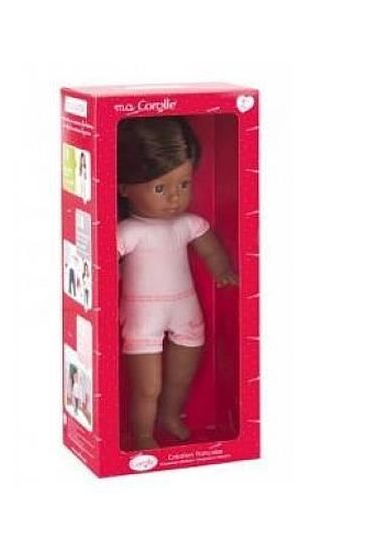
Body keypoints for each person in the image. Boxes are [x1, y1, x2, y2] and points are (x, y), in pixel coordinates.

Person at [117, 117, 238, 450]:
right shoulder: (128, 232)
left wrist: (222, 270)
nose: (174, 197)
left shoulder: (188, 224)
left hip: (186, 309)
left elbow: (209, 248)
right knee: (147, 386)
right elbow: (101, 264)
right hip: (143, 317)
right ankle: (142, 433)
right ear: (124, 188)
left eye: (184, 185)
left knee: (181, 374)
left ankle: (170, 415)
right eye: (160, 188)